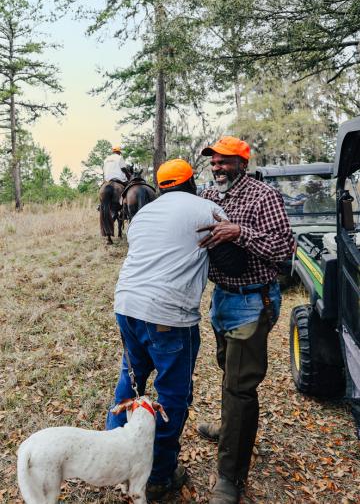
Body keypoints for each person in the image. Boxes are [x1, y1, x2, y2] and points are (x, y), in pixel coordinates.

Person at [106, 159, 229, 501]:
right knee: (172, 396)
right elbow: (227, 249)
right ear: (192, 182)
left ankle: (113, 461)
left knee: (129, 381)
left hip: (127, 305)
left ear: (160, 187)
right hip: (169, 315)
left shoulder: (143, 214)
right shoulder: (209, 208)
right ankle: (159, 474)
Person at [196, 136, 294, 504]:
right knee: (228, 370)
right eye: (214, 162)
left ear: (242, 163)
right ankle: (229, 428)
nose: (217, 167)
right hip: (222, 298)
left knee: (240, 386)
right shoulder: (208, 197)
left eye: (224, 161)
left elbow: (285, 248)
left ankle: (230, 477)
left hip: (253, 299)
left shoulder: (262, 196)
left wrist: (240, 232)